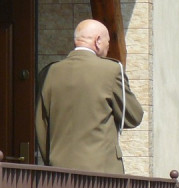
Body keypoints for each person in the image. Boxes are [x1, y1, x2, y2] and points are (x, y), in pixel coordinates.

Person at [35, 19, 143, 174]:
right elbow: (133, 116)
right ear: (98, 41)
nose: (108, 47)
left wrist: (52, 161)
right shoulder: (110, 70)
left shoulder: (49, 73)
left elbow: (41, 126)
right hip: (101, 174)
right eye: (108, 42)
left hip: (58, 172)